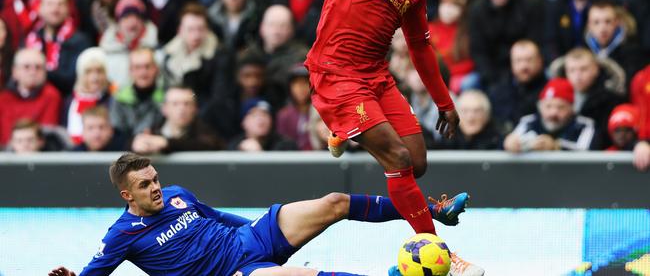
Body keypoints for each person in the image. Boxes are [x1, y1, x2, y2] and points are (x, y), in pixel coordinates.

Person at [280, 0, 478, 271]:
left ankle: (346, 133)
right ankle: (440, 255)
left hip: (377, 77)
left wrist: (444, 102)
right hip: (336, 75)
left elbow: (420, 47)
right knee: (397, 159)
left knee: (415, 164)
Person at [48, 152, 469, 276]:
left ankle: (431, 208)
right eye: (145, 185)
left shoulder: (177, 194)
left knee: (335, 201)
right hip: (233, 275)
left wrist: (254, 228)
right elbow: (94, 274)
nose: (156, 187)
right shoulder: (121, 235)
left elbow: (215, 217)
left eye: (155, 178)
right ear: (127, 194)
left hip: (249, 237)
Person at [24, 0, 92, 95]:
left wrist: (40, 71)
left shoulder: (80, 41)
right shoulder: (29, 39)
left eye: (60, 4)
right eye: (50, 4)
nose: (55, 9)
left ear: (68, 9)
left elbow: (72, 78)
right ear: (39, 8)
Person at [504, 77, 598, 152]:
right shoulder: (529, 122)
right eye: (548, 106)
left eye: (561, 107)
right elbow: (510, 143)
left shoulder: (584, 126)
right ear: (540, 106)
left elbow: (587, 153)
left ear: (572, 108)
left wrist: (555, 147)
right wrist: (509, 143)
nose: (553, 113)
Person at [131, 86, 223, 154]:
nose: (181, 109)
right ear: (164, 109)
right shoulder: (153, 130)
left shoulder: (205, 132)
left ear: (195, 109)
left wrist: (166, 143)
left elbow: (209, 145)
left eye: (187, 104)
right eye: (175, 104)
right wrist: (135, 145)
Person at [0, 48, 62, 145]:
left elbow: (47, 131)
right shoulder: (4, 98)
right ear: (15, 71)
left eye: (38, 67)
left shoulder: (51, 96)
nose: (33, 72)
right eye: (26, 67)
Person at [488, 39, 547, 131]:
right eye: (519, 61)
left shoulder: (550, 90)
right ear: (512, 63)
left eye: (529, 60)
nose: (524, 66)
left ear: (540, 61)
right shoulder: (497, 91)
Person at [110, 48, 164, 139]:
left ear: (156, 69)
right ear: (130, 71)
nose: (143, 72)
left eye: (147, 66)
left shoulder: (168, 98)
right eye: (137, 67)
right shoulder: (119, 98)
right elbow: (116, 132)